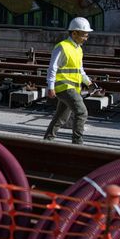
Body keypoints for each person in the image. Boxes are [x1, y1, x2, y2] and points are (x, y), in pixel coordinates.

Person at [42, 17, 94, 145]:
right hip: (64, 87)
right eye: (84, 35)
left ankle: (47, 141)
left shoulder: (78, 49)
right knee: (82, 112)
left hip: (72, 88)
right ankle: (77, 143)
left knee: (61, 117)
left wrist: (89, 83)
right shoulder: (62, 47)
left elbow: (79, 70)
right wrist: (50, 87)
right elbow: (52, 67)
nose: (86, 38)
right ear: (74, 33)